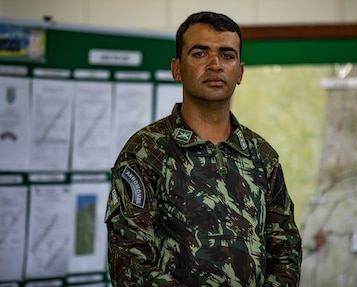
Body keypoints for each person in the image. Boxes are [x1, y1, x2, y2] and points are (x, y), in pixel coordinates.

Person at [105, 11, 302, 287]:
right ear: (177, 68)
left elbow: (286, 253)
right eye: (200, 54)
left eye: (227, 55)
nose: (215, 64)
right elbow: (128, 262)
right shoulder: (146, 151)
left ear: (240, 72)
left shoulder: (262, 155)